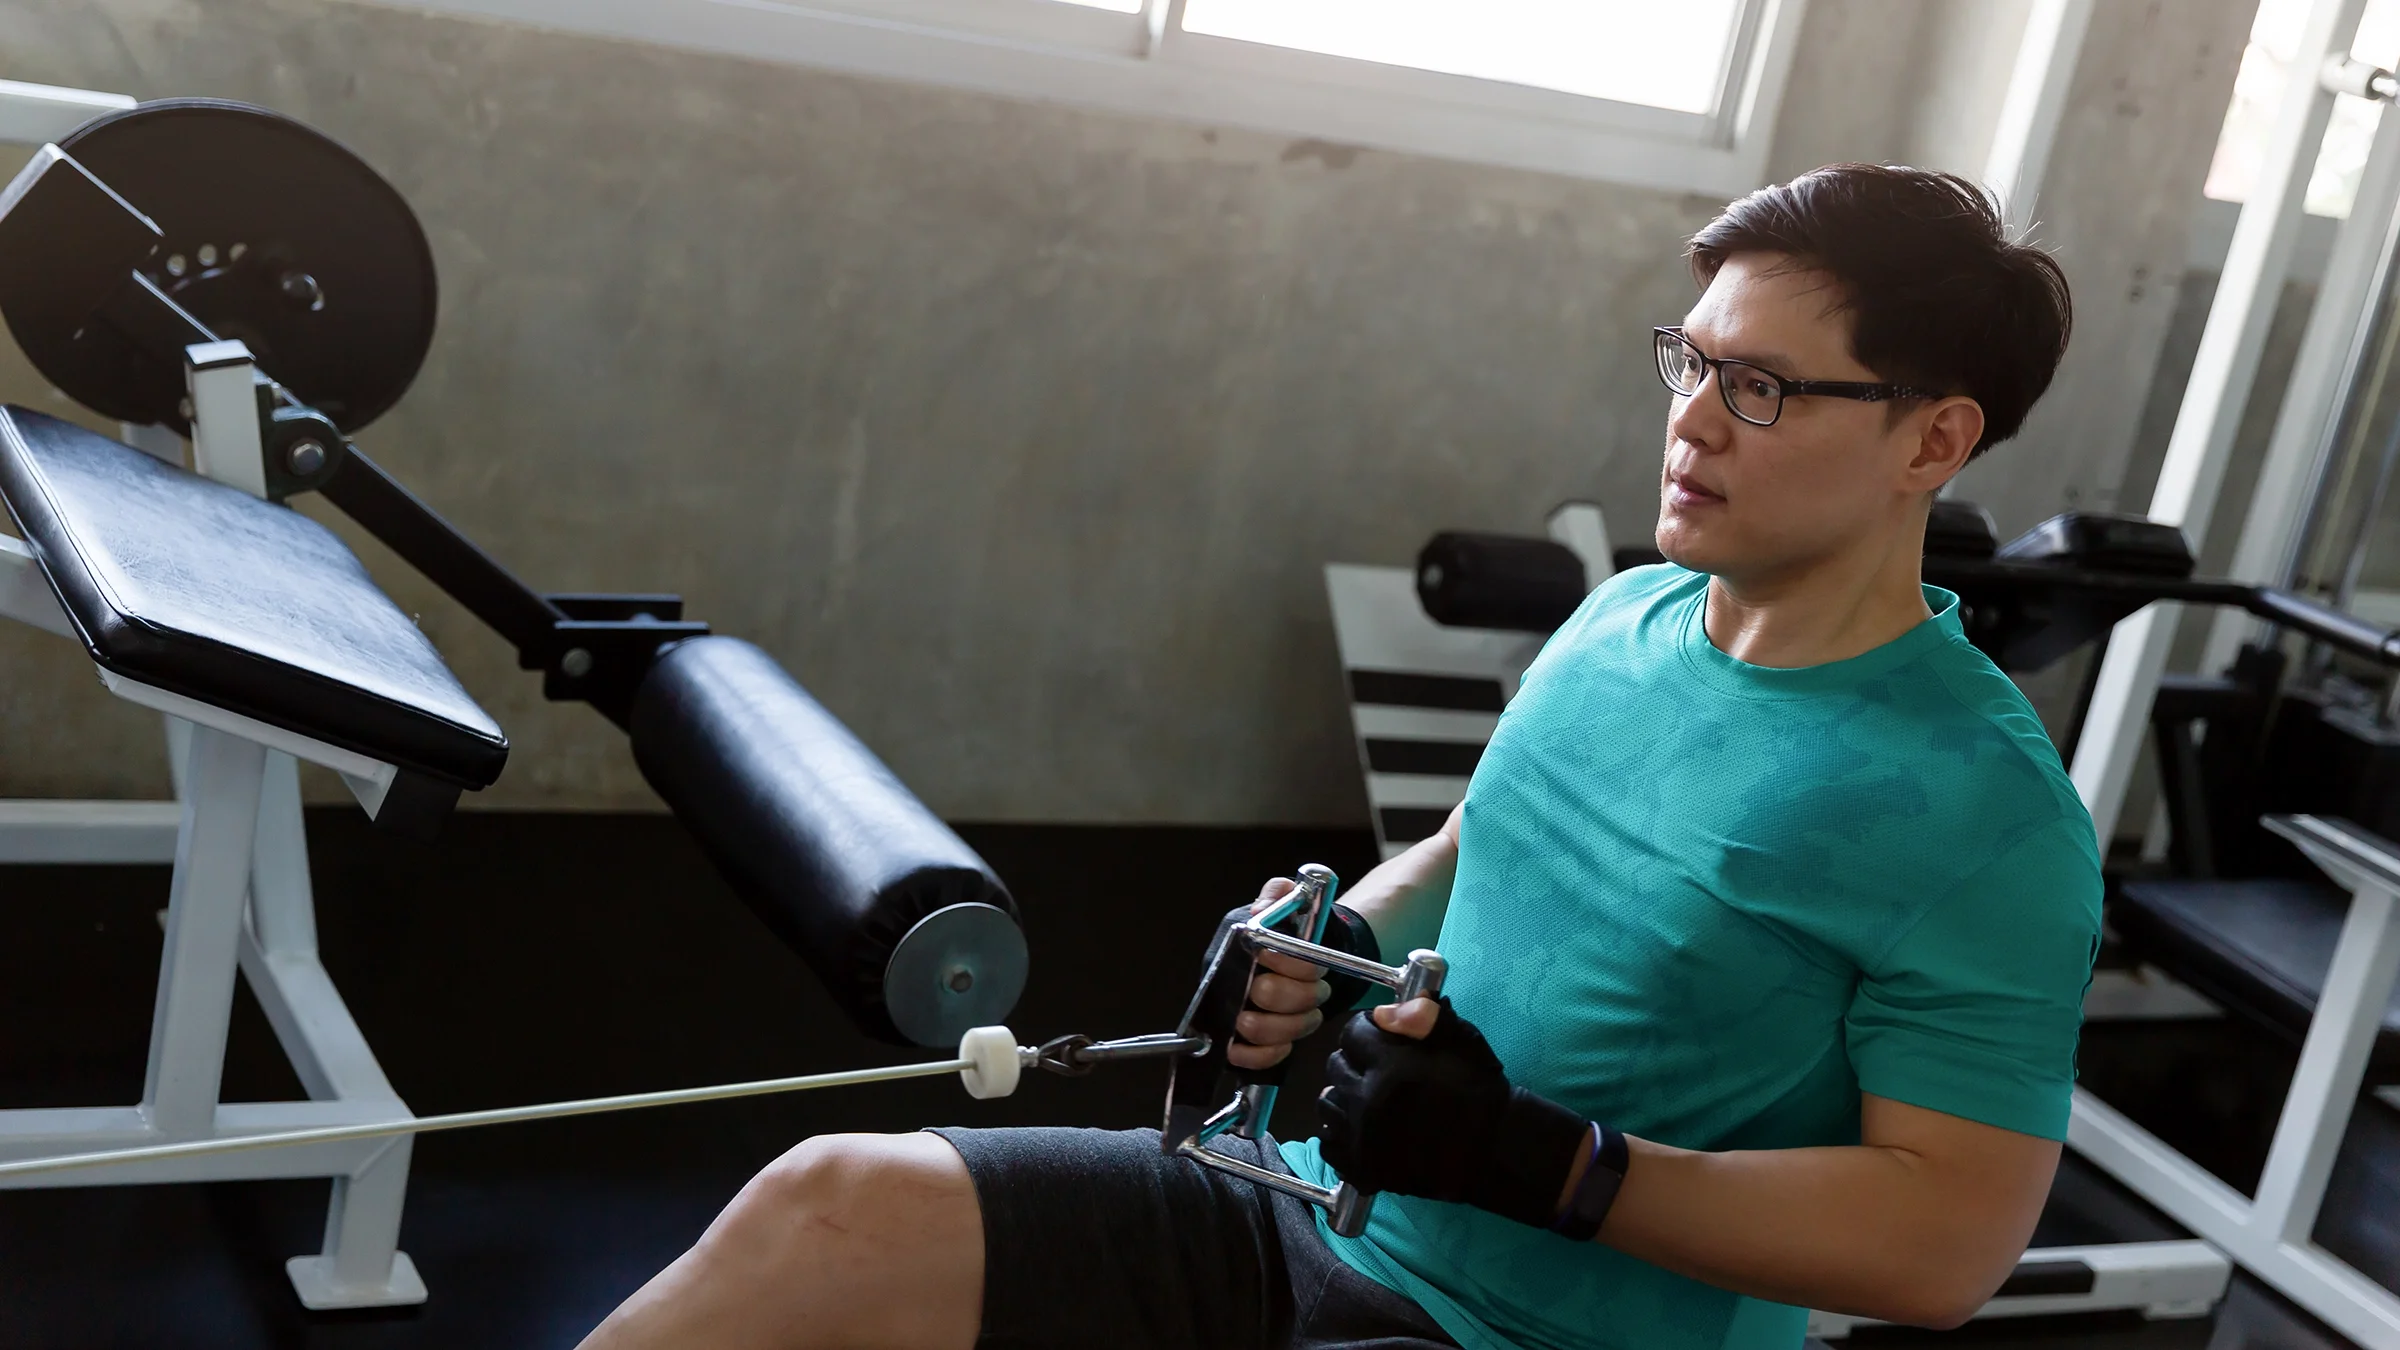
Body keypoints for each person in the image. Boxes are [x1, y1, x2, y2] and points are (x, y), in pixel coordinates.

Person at [579, 162, 2099, 1350]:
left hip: (1537, 1328)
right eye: (1686, 364)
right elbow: (1465, 854)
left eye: (1757, 386)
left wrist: (1558, 1167)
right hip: (1318, 1211)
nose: (1691, 423)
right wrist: (1333, 935)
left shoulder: (1981, 810)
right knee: (831, 1206)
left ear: (1930, 440)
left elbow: (1941, 1248)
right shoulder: (1627, 617)